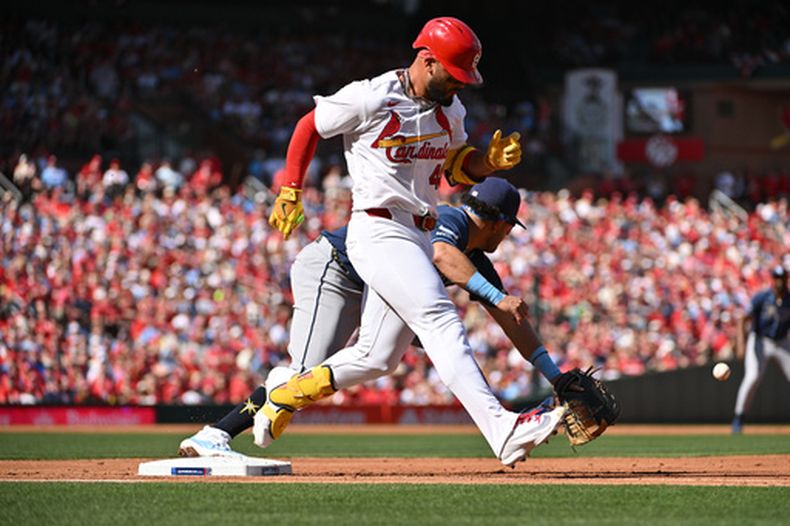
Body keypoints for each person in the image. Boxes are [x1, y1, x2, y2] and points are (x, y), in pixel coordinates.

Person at [180, 178, 571, 465]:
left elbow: (511, 319)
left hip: (370, 283)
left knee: (378, 359)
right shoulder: (450, 219)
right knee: (301, 374)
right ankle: (215, 434)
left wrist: (556, 376)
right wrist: (496, 295)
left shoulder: (475, 259)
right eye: (508, 228)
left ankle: (219, 431)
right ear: (501, 222)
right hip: (334, 271)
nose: (506, 235)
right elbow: (439, 254)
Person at [731, 265, 790, 433]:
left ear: (786, 279)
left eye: (782, 278)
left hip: (782, 342)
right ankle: (738, 418)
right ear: (773, 279)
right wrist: (742, 344)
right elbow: (743, 319)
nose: (779, 281)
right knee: (752, 377)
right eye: (777, 278)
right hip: (759, 341)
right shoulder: (762, 297)